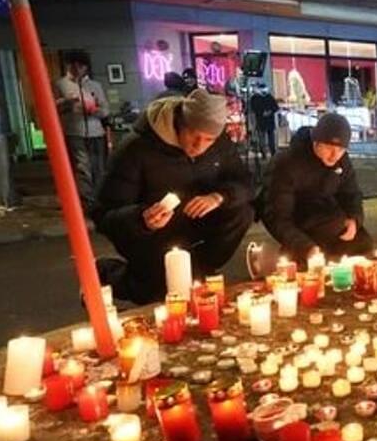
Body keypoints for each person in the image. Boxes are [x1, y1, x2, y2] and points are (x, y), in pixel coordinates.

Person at [93, 89, 254, 304]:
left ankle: (199, 270)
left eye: (208, 139)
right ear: (180, 123)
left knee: (243, 210)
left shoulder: (220, 144)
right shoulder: (136, 149)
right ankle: (109, 273)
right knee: (162, 296)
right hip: (153, 237)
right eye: (193, 135)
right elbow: (103, 214)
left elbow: (245, 183)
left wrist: (219, 197)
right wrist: (142, 218)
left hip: (196, 226)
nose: (199, 146)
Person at [262, 113, 373, 262]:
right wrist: (304, 246)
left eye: (341, 150)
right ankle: (288, 255)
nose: (334, 155)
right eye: (329, 148)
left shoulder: (341, 161)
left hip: (329, 218)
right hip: (301, 222)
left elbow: (351, 194)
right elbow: (277, 216)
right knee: (315, 256)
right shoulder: (286, 163)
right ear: (316, 142)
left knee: (363, 244)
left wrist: (354, 219)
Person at [53, 50, 110, 214]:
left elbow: (105, 110)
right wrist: (67, 102)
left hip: (96, 131)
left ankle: (99, 199)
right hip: (74, 131)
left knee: (98, 167)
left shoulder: (94, 85)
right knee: (82, 167)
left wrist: (93, 110)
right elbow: (52, 108)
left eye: (81, 66)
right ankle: (88, 202)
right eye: (73, 65)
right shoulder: (60, 85)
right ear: (68, 66)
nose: (77, 69)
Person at [249, 84, 280, 156]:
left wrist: (269, 111)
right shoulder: (255, 98)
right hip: (261, 120)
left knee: (270, 137)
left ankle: (272, 151)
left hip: (269, 121)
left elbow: (275, 107)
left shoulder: (269, 97)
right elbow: (254, 108)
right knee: (262, 137)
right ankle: (263, 152)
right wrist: (263, 112)